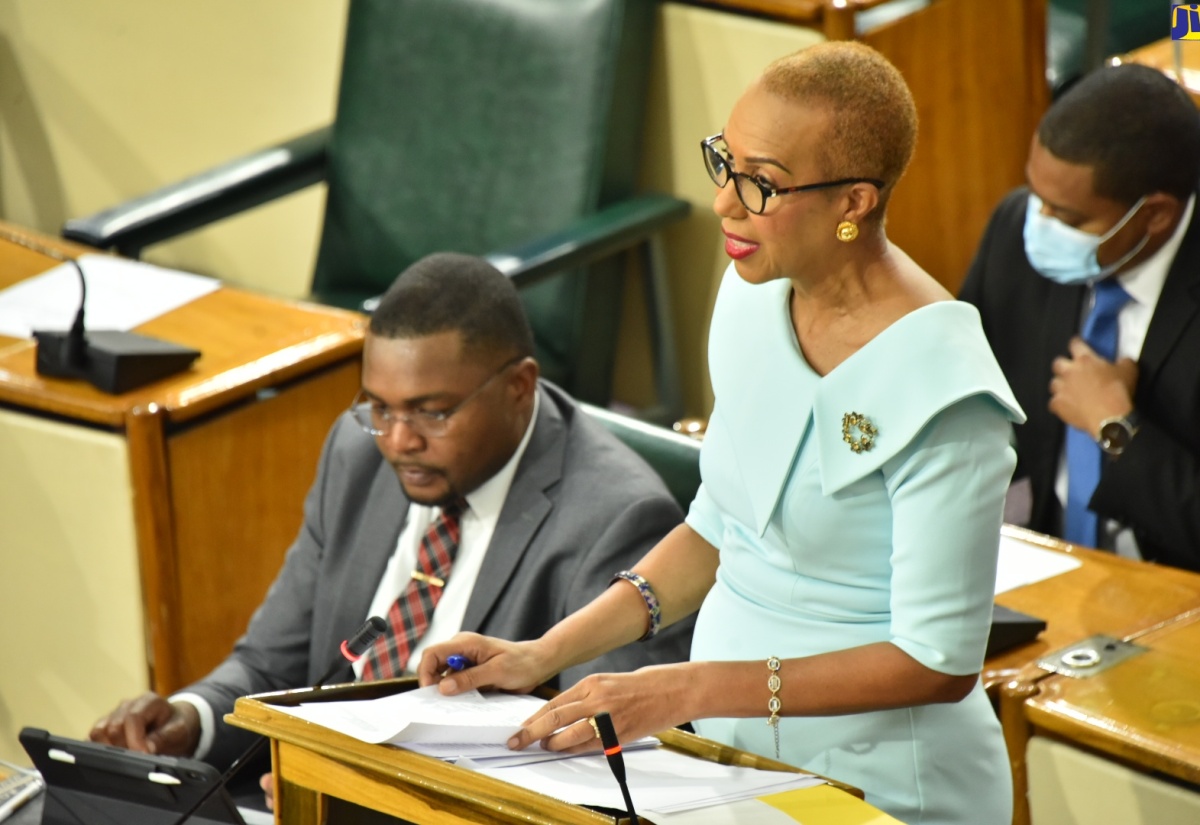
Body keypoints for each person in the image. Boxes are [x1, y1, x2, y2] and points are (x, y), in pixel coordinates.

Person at [417, 43, 1023, 824]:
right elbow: (719, 526)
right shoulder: (751, 295)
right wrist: (544, 652)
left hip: (886, 789)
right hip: (736, 763)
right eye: (724, 162)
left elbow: (937, 663)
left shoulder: (943, 389)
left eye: (761, 183)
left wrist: (689, 685)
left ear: (855, 202)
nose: (724, 205)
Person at [89, 252, 693, 774]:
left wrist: (360, 791)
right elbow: (272, 664)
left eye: (432, 413)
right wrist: (190, 720)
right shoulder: (357, 454)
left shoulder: (615, 518)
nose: (398, 440)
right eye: (379, 407)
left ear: (519, 387)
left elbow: (614, 756)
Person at [960, 64, 1200, 572]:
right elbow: (963, 395)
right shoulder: (1014, 230)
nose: (1038, 223)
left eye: (1066, 217)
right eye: (1036, 196)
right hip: (1036, 564)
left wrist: (1117, 427)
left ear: (1154, 214)